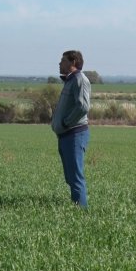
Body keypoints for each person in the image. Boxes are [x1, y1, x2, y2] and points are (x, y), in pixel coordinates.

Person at [51, 50, 91, 207]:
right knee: (70, 176)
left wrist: (67, 123)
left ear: (73, 62)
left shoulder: (80, 80)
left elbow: (83, 106)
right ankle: (77, 207)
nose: (60, 63)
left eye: (63, 60)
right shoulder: (70, 80)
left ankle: (81, 213)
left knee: (75, 177)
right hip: (66, 135)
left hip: (74, 134)